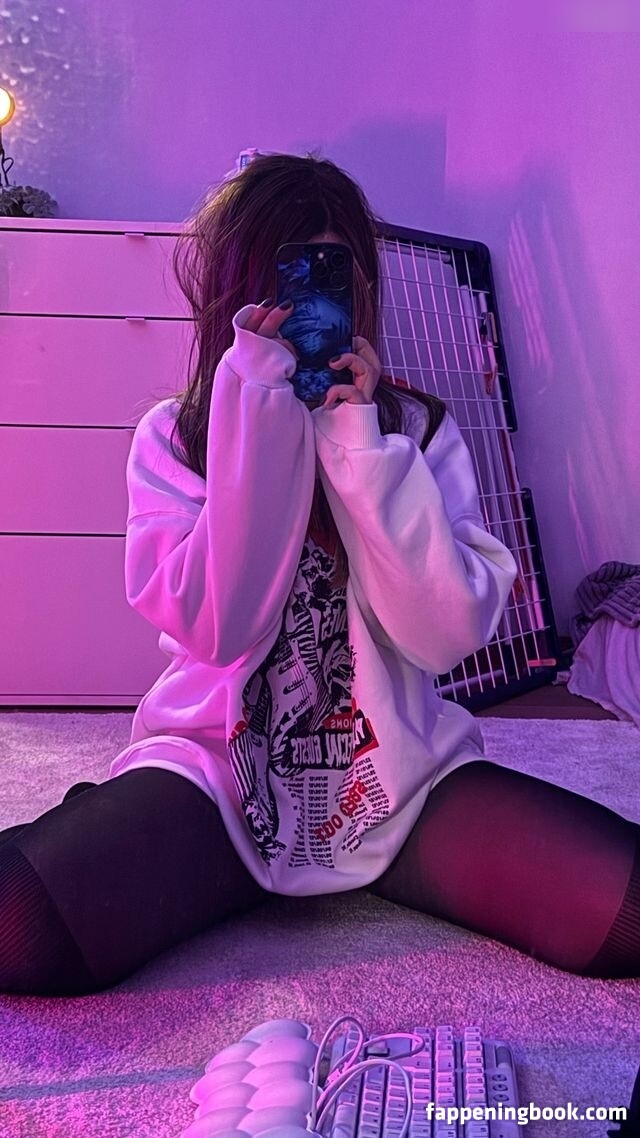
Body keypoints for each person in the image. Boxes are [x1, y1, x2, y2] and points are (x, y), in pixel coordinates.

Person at [0, 153, 638, 998]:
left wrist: (360, 448)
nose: (304, 305)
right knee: (20, 927)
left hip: (400, 782)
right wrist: (256, 413)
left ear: (361, 289)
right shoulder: (177, 437)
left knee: (626, 909)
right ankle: (141, 827)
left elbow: (441, 638)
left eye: (328, 273)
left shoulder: (413, 432)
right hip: (219, 780)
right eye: (281, 276)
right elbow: (219, 628)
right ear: (235, 292)